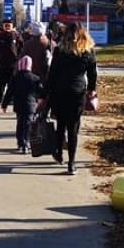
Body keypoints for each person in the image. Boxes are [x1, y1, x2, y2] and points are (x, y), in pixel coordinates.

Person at [45, 21, 97, 175]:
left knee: (60, 124)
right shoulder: (88, 51)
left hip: (59, 92)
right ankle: (72, 163)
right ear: (83, 33)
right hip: (77, 93)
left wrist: (45, 94)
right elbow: (92, 74)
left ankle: (59, 153)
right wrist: (91, 90)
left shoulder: (60, 50)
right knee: (73, 128)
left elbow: (52, 73)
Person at [1, 55, 45, 154]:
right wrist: (41, 100)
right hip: (30, 106)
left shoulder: (15, 77)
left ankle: (20, 143)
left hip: (19, 105)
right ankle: (27, 142)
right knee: (28, 124)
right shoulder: (35, 78)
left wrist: (4, 105)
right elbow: (41, 91)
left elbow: (9, 92)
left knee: (20, 124)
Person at [0, 18, 23, 104]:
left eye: (9, 25)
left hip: (13, 64)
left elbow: (21, 48)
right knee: (1, 83)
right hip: (1, 63)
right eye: (6, 25)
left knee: (12, 82)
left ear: (12, 26)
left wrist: (20, 59)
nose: (7, 27)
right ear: (3, 26)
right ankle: (1, 97)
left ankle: (11, 98)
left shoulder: (17, 35)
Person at [21, 21, 51, 85]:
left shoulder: (28, 44)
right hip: (44, 76)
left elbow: (22, 59)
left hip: (30, 75)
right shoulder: (49, 43)